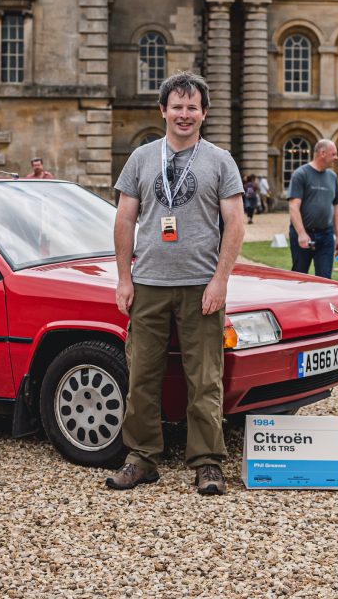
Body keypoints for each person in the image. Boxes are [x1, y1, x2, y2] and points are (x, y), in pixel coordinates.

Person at [109, 71, 245, 496]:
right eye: (177, 106)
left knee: (204, 379)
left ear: (204, 112)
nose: (184, 114)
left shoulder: (220, 161)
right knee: (142, 376)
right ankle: (141, 458)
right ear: (163, 110)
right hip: (148, 284)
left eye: (192, 107)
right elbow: (125, 219)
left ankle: (206, 462)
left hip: (200, 287)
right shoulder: (142, 158)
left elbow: (235, 223)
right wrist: (123, 279)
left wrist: (220, 281)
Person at [286, 139, 338, 279]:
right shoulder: (301, 174)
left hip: (326, 235)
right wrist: (301, 233)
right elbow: (293, 207)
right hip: (304, 235)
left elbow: (336, 208)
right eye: (333, 154)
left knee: (324, 280)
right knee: (299, 277)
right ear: (322, 153)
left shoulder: (332, 176)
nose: (336, 158)